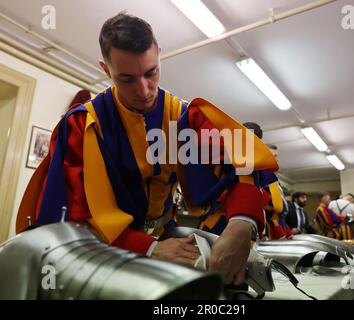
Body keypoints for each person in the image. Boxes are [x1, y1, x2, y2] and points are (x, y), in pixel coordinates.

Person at [17, 13, 278, 285]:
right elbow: (74, 215)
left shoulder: (183, 118)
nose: (144, 90)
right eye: (127, 79)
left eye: (151, 73)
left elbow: (243, 165)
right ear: (106, 71)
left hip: (167, 235)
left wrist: (241, 224)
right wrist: (149, 248)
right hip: (105, 252)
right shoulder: (83, 125)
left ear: (159, 56)